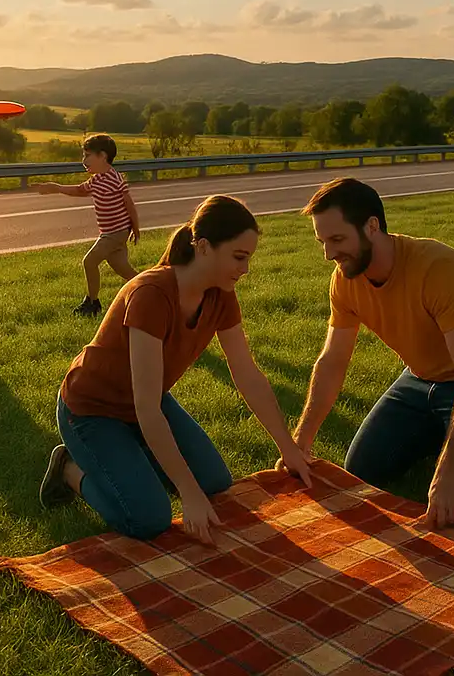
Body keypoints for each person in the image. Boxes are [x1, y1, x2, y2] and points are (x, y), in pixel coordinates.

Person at [39, 195, 312, 544]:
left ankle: (133, 461)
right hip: (92, 410)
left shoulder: (220, 294)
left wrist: (287, 447)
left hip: (145, 403)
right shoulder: (151, 294)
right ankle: (69, 470)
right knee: (149, 519)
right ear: (204, 247)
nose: (245, 269)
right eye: (239, 257)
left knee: (215, 484)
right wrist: (187, 491)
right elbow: (147, 408)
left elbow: (247, 374)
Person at [285, 177, 454, 530]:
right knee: (363, 469)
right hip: (419, 377)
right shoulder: (344, 280)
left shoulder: (436, 267)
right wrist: (301, 440)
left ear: (371, 227)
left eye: (337, 239)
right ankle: (445, 434)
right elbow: (333, 360)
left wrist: (447, 472)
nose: (329, 254)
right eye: (323, 241)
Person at [35, 133, 140, 317]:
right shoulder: (96, 180)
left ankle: (92, 303)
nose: (83, 160)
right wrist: (57, 188)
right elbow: (79, 190)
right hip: (109, 233)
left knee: (89, 262)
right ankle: (150, 287)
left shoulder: (114, 179)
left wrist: (136, 227)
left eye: (87, 155)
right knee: (124, 270)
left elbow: (129, 203)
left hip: (116, 233)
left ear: (103, 156)